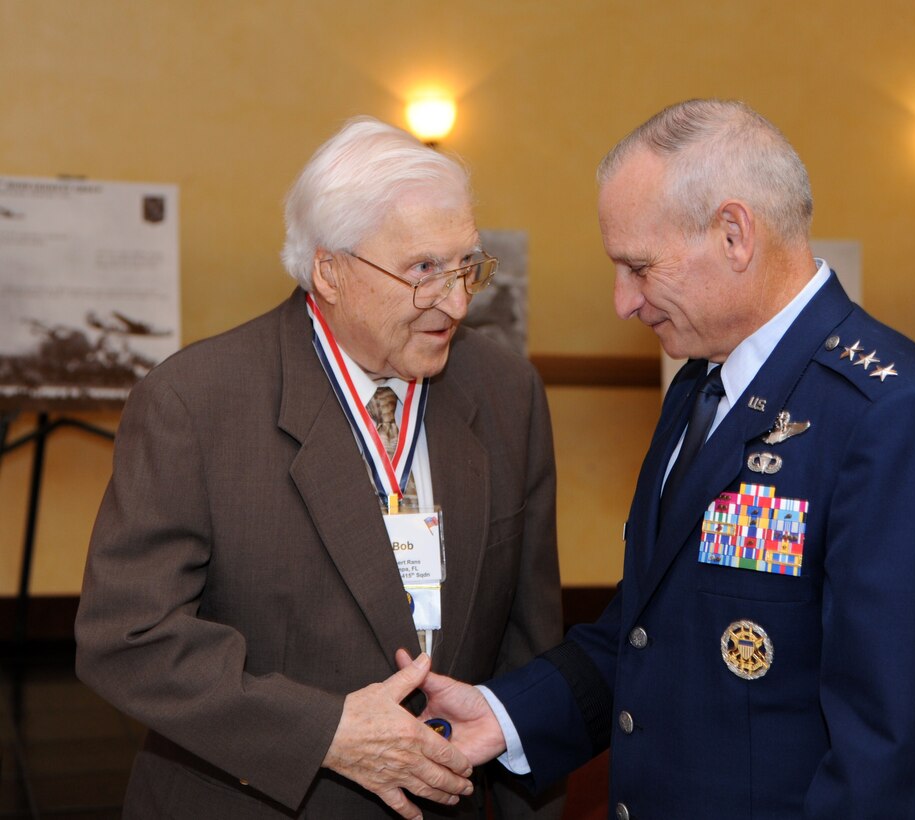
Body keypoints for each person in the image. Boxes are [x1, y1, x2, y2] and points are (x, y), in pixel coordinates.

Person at [403, 99, 915, 819]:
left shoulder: (896, 421)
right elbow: (652, 629)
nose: (624, 302)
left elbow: (903, 765)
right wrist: (504, 716)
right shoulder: (702, 384)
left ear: (733, 234)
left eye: (639, 267)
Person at [75, 117, 564, 820]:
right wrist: (323, 733)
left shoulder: (506, 393)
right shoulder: (196, 402)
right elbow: (129, 638)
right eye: (424, 269)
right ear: (329, 269)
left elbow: (530, 646)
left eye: (466, 266)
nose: (456, 302)